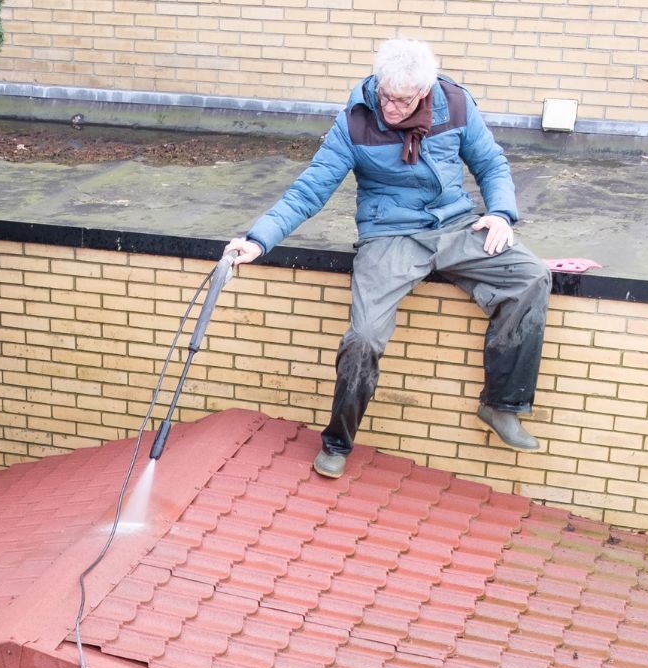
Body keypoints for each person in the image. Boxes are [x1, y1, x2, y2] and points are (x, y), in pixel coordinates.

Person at [226, 37, 552, 476]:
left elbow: (491, 164)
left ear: (425, 91)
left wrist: (500, 214)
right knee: (363, 337)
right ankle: (338, 442)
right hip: (389, 233)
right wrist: (259, 239)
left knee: (530, 276)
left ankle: (502, 405)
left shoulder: (455, 104)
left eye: (402, 101)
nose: (391, 108)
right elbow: (309, 190)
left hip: (456, 225)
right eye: (385, 96)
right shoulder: (354, 122)